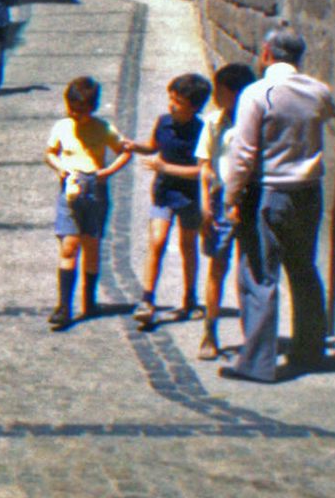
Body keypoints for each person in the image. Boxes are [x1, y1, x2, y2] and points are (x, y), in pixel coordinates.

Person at [220, 28, 335, 383]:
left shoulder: (258, 93)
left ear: (267, 52)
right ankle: (310, 349)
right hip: (308, 191)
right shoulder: (319, 90)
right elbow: (328, 115)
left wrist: (231, 196)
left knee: (259, 274)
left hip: (268, 192)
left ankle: (257, 363)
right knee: (303, 269)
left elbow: (243, 154)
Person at [123, 73, 214, 331]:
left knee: (187, 246)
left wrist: (165, 167)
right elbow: (153, 146)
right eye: (171, 98)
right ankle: (147, 300)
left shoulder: (201, 131)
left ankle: (189, 298)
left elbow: (201, 171)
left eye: (178, 102)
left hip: (189, 197)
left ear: (194, 107)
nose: (172, 105)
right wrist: (133, 146)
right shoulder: (163, 123)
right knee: (157, 241)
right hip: (163, 193)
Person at [42, 76, 133, 330]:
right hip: (70, 189)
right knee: (69, 246)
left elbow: (125, 150)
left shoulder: (103, 128)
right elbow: (50, 153)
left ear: (92, 108)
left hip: (94, 190)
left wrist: (107, 172)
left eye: (81, 110)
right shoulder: (63, 127)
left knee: (91, 246)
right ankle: (64, 306)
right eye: (71, 109)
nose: (75, 114)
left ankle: (89, 300)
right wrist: (60, 167)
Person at [195, 63, 259, 361]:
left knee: (251, 270)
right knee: (217, 266)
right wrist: (205, 205)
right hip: (220, 200)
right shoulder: (214, 122)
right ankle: (210, 331)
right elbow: (205, 166)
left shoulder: (255, 121)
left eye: (219, 91)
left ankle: (253, 338)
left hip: (248, 198)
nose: (215, 96)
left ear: (234, 92)